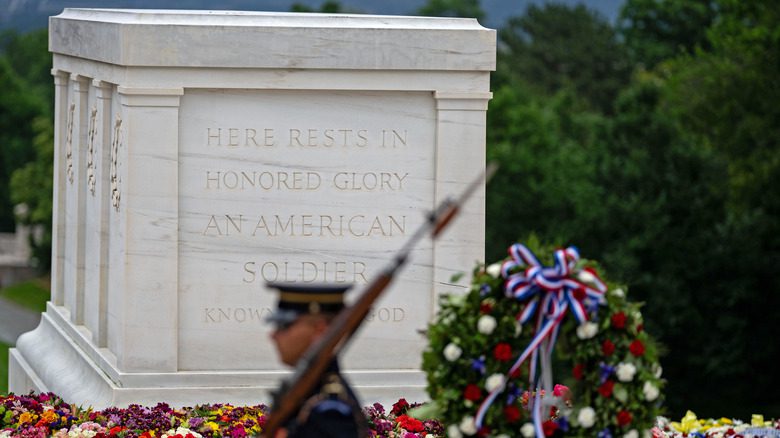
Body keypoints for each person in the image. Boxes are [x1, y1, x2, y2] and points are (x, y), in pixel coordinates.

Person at [266, 282, 368, 438]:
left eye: (284, 325)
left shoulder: (330, 411)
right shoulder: (306, 390)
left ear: (320, 330)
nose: (273, 335)